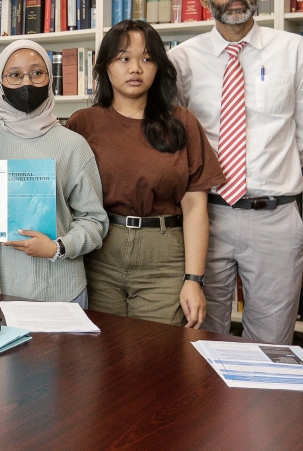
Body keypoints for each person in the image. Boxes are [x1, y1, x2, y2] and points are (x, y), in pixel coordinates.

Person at [169, 0, 303, 344]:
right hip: (206, 219)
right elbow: (176, 142)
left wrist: (268, 175)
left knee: (271, 342)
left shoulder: (294, 50)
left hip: (274, 217)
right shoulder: (181, 60)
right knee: (201, 336)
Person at [66, 20, 225, 328]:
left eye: (147, 58)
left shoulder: (182, 123)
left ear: (159, 67)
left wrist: (194, 279)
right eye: (124, 58)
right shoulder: (83, 123)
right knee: (100, 351)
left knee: (159, 354)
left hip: (163, 257)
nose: (135, 68)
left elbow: (195, 207)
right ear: (104, 67)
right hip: (99, 252)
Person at [0, 40, 108, 303]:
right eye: (14, 75)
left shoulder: (73, 144)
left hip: (59, 288)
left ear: (50, 78)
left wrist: (59, 247)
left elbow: (95, 221)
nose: (27, 82)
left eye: (37, 73)